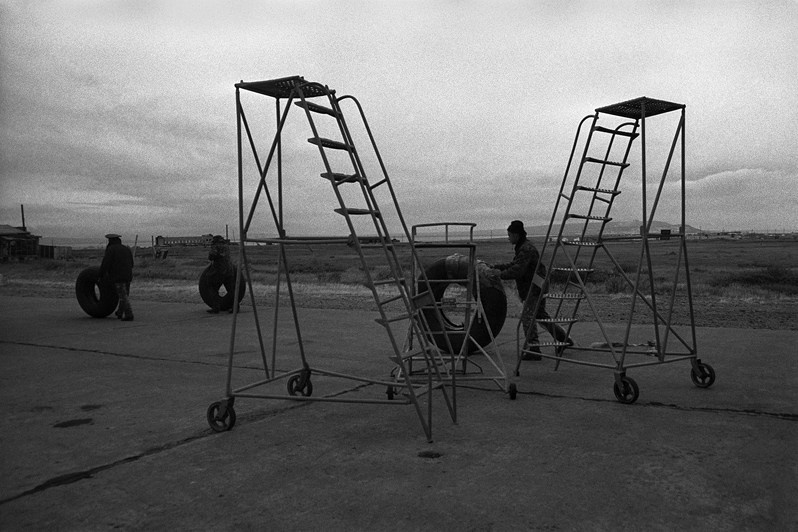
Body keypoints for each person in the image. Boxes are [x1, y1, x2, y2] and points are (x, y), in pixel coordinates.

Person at [490, 220, 572, 360]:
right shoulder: (524, 247)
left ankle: (533, 348)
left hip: (533, 288)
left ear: (516, 235)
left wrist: (500, 274)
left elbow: (518, 270)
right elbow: (515, 264)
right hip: (537, 286)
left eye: (509, 235)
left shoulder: (526, 249)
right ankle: (563, 338)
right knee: (540, 315)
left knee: (528, 317)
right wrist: (498, 267)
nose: (508, 238)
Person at [98, 233, 134, 321]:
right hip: (128, 275)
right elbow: (132, 263)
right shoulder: (126, 248)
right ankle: (120, 312)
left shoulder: (111, 249)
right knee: (125, 294)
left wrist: (101, 275)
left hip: (118, 275)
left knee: (122, 295)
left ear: (110, 241)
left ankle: (129, 314)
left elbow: (105, 264)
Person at [206, 235, 235, 314]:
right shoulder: (227, 246)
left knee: (212, 286)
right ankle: (235, 307)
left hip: (219, 270)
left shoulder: (215, 246)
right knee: (230, 290)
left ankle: (216, 307)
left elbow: (211, 256)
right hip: (230, 270)